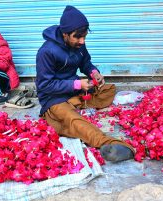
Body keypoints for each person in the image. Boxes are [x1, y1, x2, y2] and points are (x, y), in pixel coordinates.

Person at [36, 5, 135, 162]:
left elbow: (85, 62)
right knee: (74, 121)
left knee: (108, 89)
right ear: (65, 34)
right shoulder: (46, 52)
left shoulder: (78, 44)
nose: (82, 41)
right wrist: (77, 85)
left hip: (74, 91)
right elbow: (44, 86)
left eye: (84, 37)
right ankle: (113, 145)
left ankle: (73, 103)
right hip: (53, 98)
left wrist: (93, 72)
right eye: (77, 37)